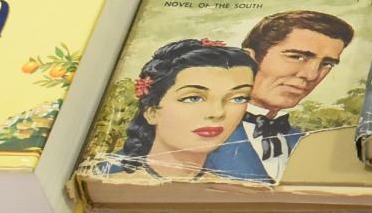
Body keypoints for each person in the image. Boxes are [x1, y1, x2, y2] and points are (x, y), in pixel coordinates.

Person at [205, 10, 355, 184]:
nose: (312, 75)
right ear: (248, 59)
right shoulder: (196, 133)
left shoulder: (307, 143)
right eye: (297, 57)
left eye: (327, 64)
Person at [104, 40, 258, 179]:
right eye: (194, 98)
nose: (218, 113)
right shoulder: (111, 183)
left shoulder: (236, 189)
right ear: (151, 112)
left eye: (238, 98)